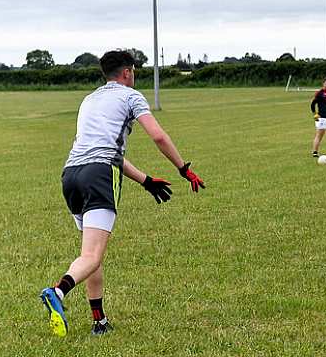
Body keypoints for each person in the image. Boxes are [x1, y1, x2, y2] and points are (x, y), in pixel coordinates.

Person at [39, 50, 205, 337]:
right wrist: (182, 168)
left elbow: (105, 151)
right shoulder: (131, 96)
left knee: (88, 254)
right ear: (127, 72)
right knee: (92, 255)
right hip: (100, 175)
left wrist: (145, 180)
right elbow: (158, 136)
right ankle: (58, 291)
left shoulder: (89, 100)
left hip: (71, 175)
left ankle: (99, 321)